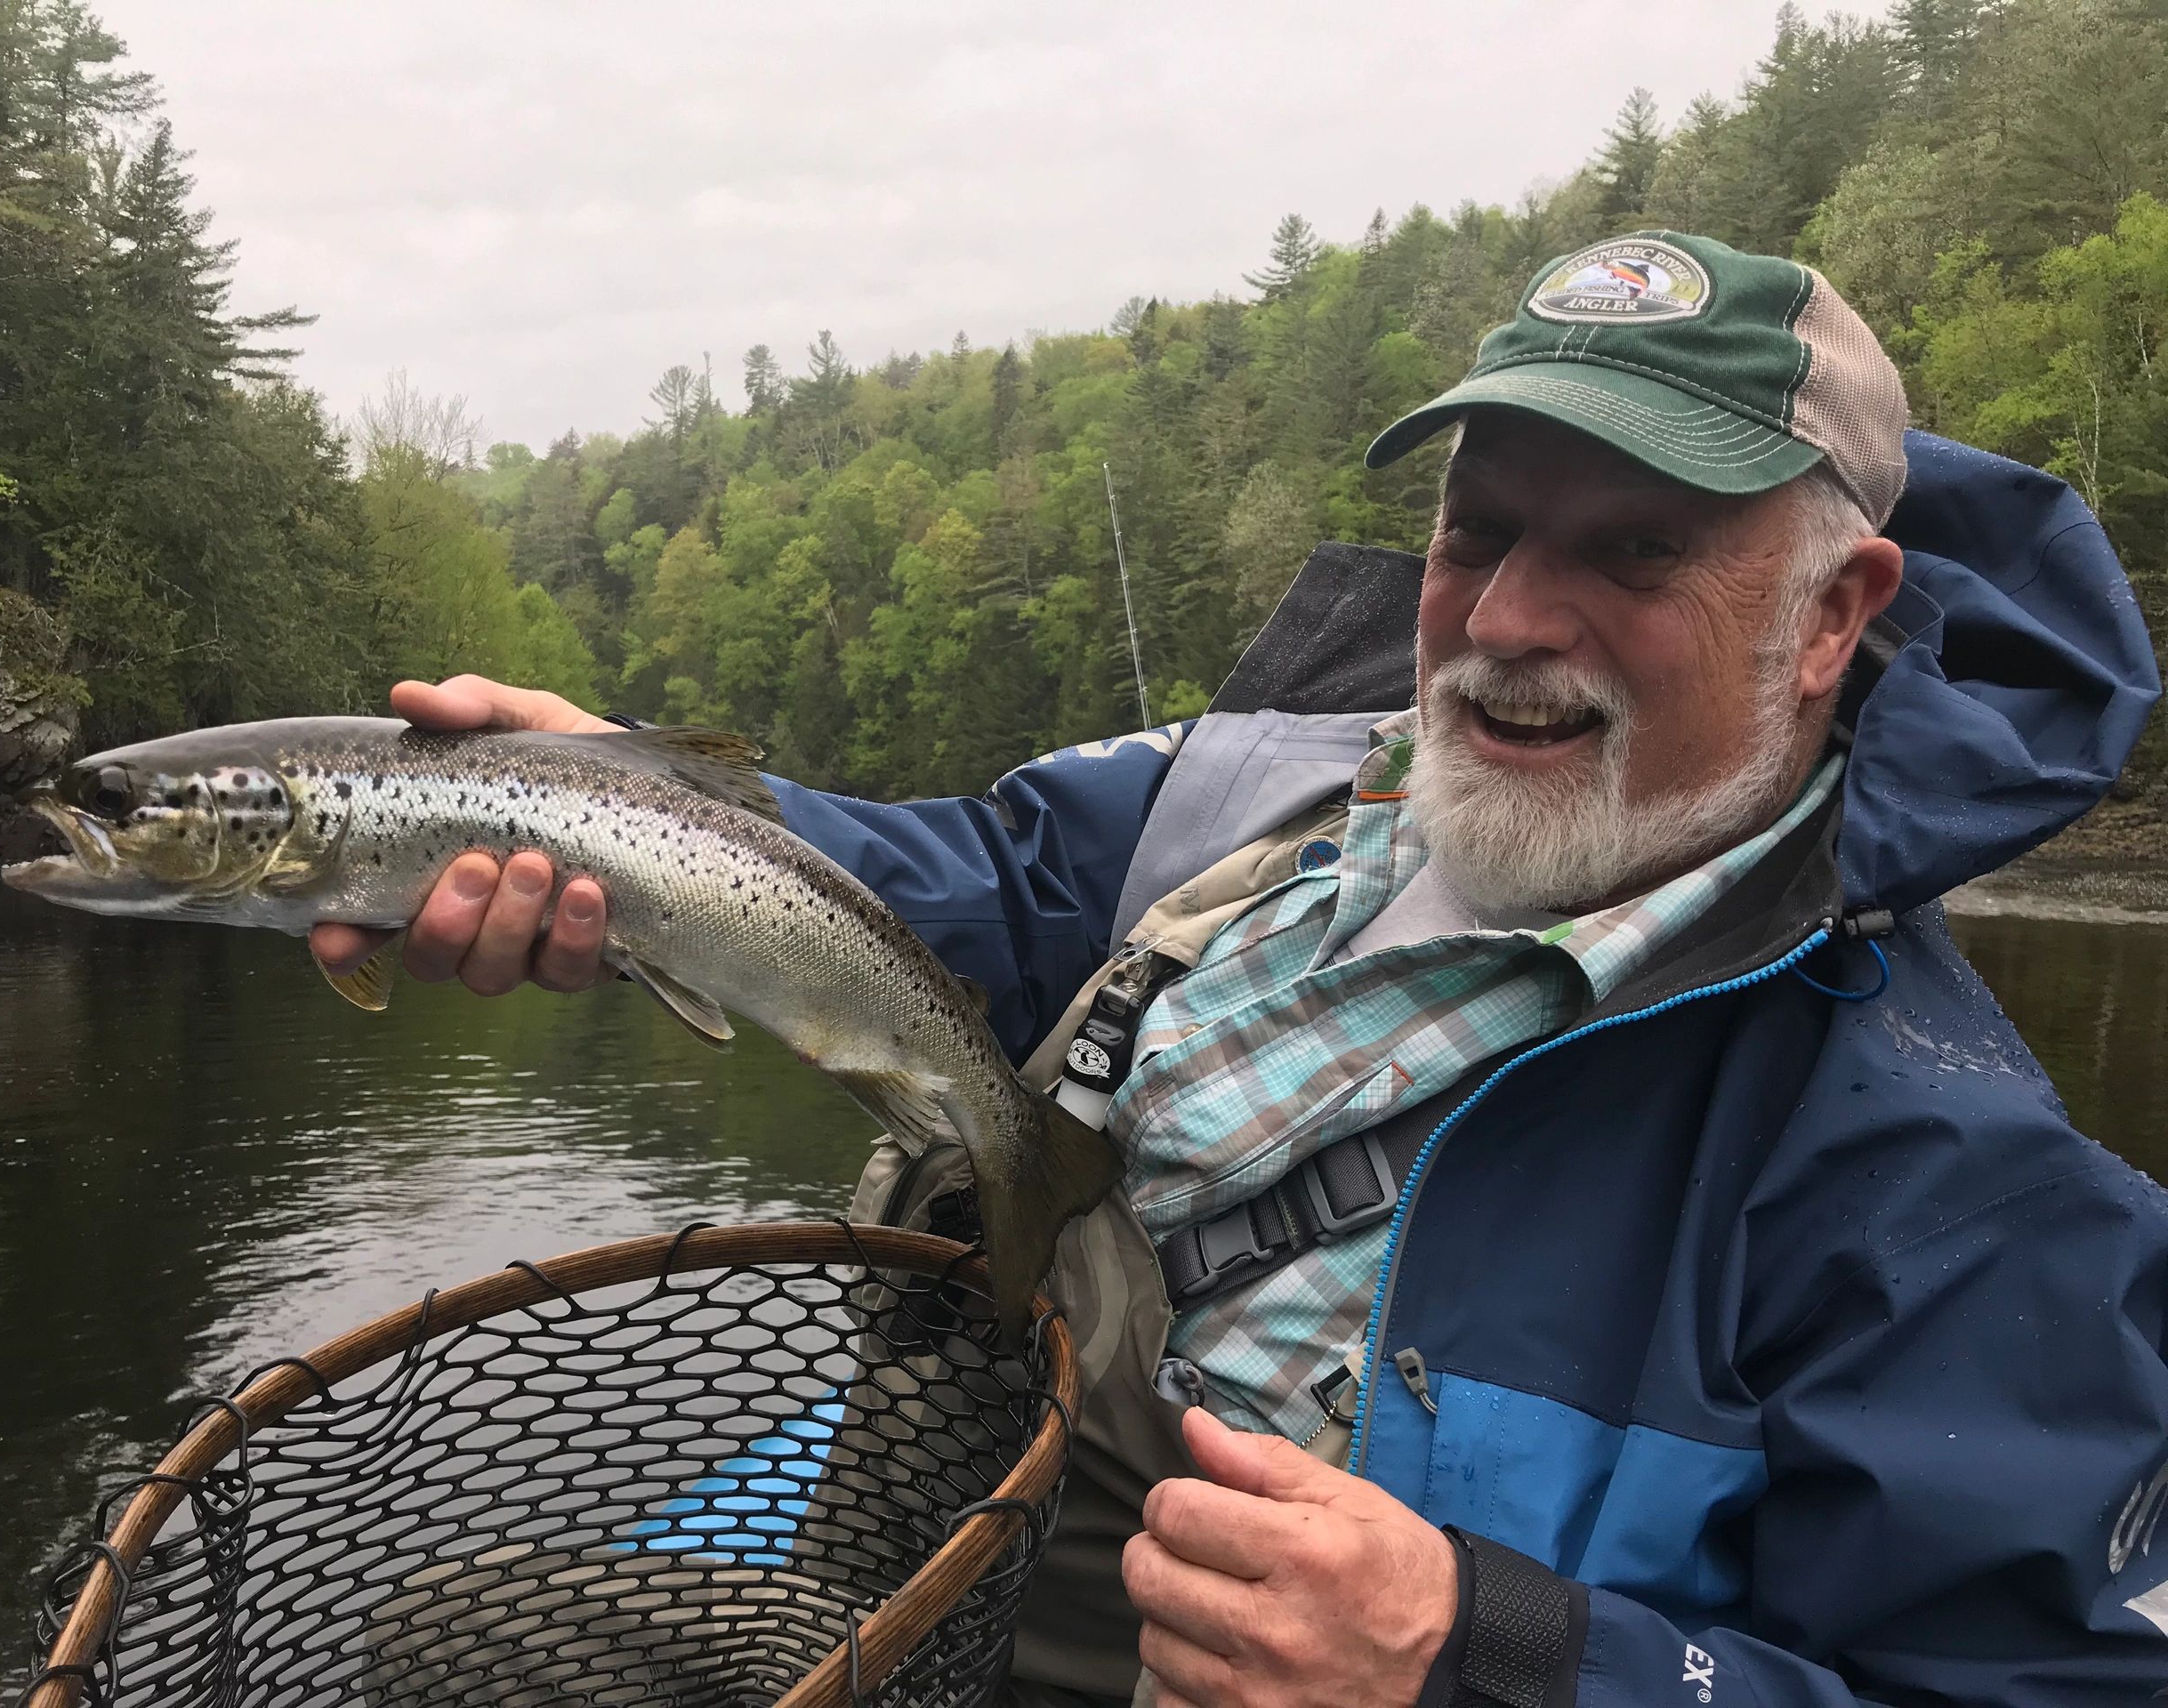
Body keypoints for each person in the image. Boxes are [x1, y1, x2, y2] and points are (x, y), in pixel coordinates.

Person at [313, 231, 2168, 1706]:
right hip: (951, 1573)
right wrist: (607, 801)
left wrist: (1488, 1654)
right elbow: (953, 881)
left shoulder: (1952, 1192)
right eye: (1481, 528)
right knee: (464, 1644)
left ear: (1833, 615)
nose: (1512, 616)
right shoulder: (1257, 787)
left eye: (1637, 551)